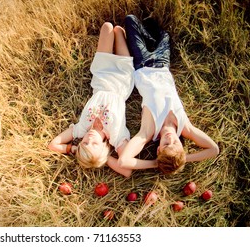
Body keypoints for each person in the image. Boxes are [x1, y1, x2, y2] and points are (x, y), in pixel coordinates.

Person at [48, 21, 155, 177]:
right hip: (122, 80)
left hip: (102, 75)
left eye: (85, 143)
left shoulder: (80, 129)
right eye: (95, 144)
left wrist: (72, 149)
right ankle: (123, 35)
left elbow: (53, 145)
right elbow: (127, 170)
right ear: (104, 148)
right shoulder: (116, 137)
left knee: (106, 27)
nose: (89, 139)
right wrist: (105, 159)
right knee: (118, 31)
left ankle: (117, 34)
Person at [118, 14, 219, 174]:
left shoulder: (149, 132)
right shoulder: (185, 128)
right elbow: (214, 149)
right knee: (164, 35)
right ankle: (151, 37)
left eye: (166, 145)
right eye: (176, 144)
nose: (170, 138)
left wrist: (155, 163)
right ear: (182, 147)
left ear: (158, 150)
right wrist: (184, 159)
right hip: (163, 62)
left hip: (142, 62)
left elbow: (123, 161)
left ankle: (148, 38)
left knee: (130, 20)